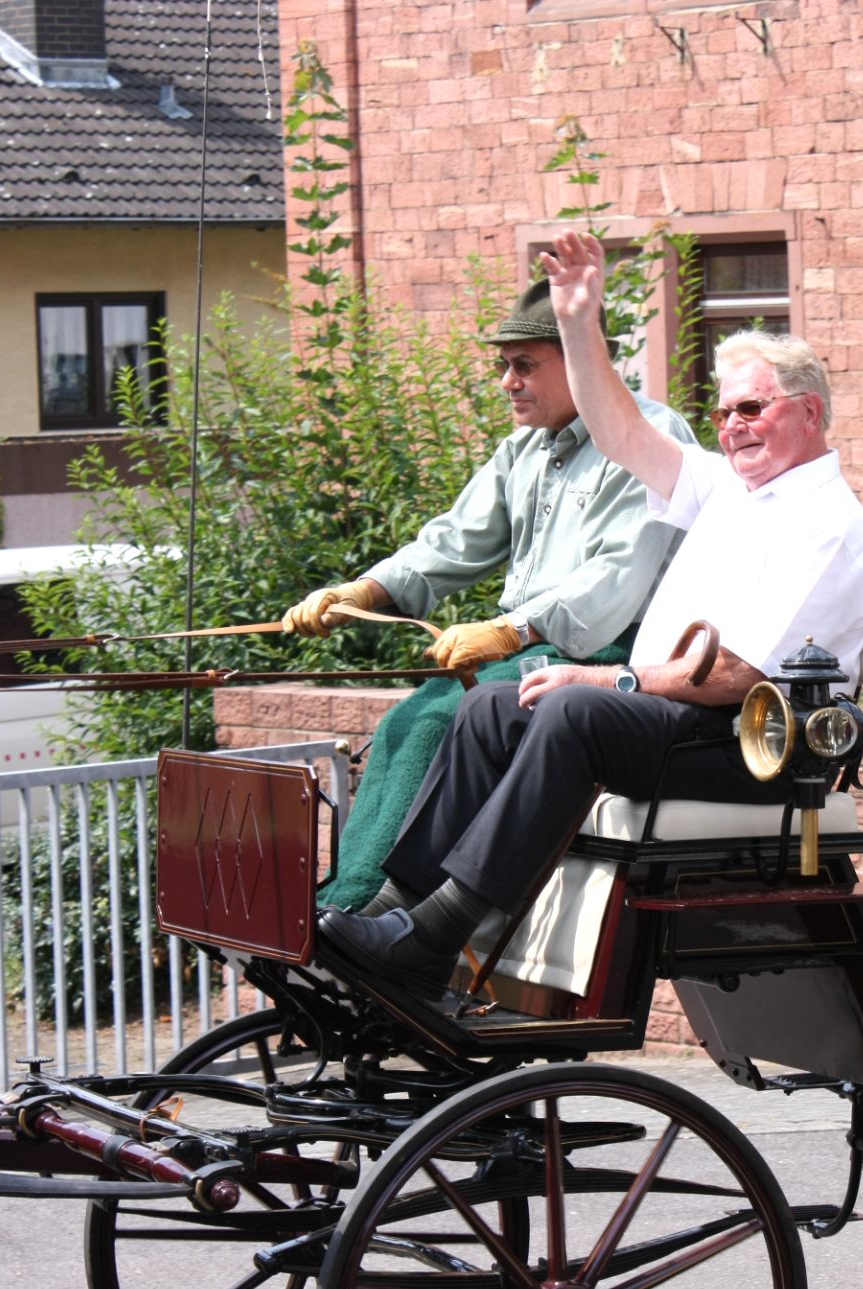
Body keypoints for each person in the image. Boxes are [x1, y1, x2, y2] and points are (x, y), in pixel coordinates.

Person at [316, 229, 863, 996]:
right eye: (722, 413)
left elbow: (738, 674)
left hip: (757, 746)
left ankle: (435, 936)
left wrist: (610, 679)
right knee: (489, 706)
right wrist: (578, 322)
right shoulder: (734, 489)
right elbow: (619, 430)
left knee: (573, 714)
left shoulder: (827, 522)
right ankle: (394, 905)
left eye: (751, 408)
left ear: (809, 412)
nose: (732, 425)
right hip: (689, 720)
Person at [280, 277, 692, 909]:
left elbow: (614, 578)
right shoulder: (522, 449)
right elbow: (452, 541)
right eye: (504, 365)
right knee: (401, 723)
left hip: (606, 657)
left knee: (435, 723)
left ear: (586, 362)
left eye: (524, 365)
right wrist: (362, 590)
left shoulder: (649, 436)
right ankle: (350, 901)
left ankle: (375, 913)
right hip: (532, 649)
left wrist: (511, 630)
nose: (507, 382)